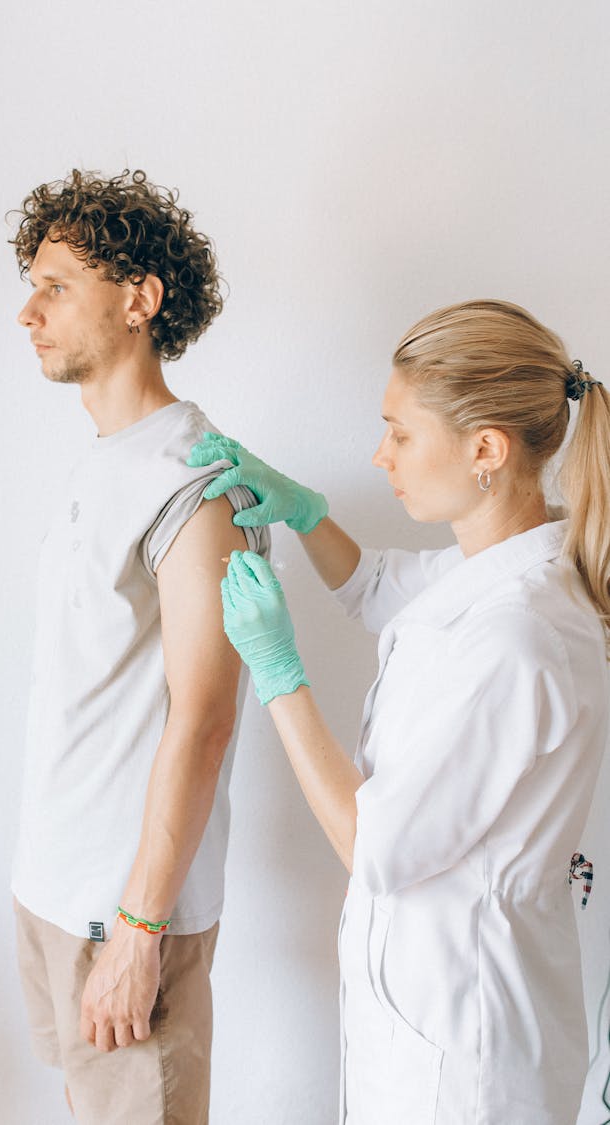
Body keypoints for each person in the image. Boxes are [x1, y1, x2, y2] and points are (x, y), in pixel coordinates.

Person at [188, 299, 610, 1124]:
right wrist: (307, 513)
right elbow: (384, 589)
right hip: (432, 1018)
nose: (381, 455)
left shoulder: (515, 637)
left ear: (485, 449)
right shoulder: (503, 566)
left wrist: (280, 675)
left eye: (401, 433)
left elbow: (373, 844)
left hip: (470, 1055)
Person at [9, 168, 268, 1125]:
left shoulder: (192, 481)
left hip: (120, 916)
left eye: (55, 285)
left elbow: (204, 720)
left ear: (138, 300)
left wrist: (139, 929)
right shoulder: (105, 463)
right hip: (53, 889)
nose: (28, 312)